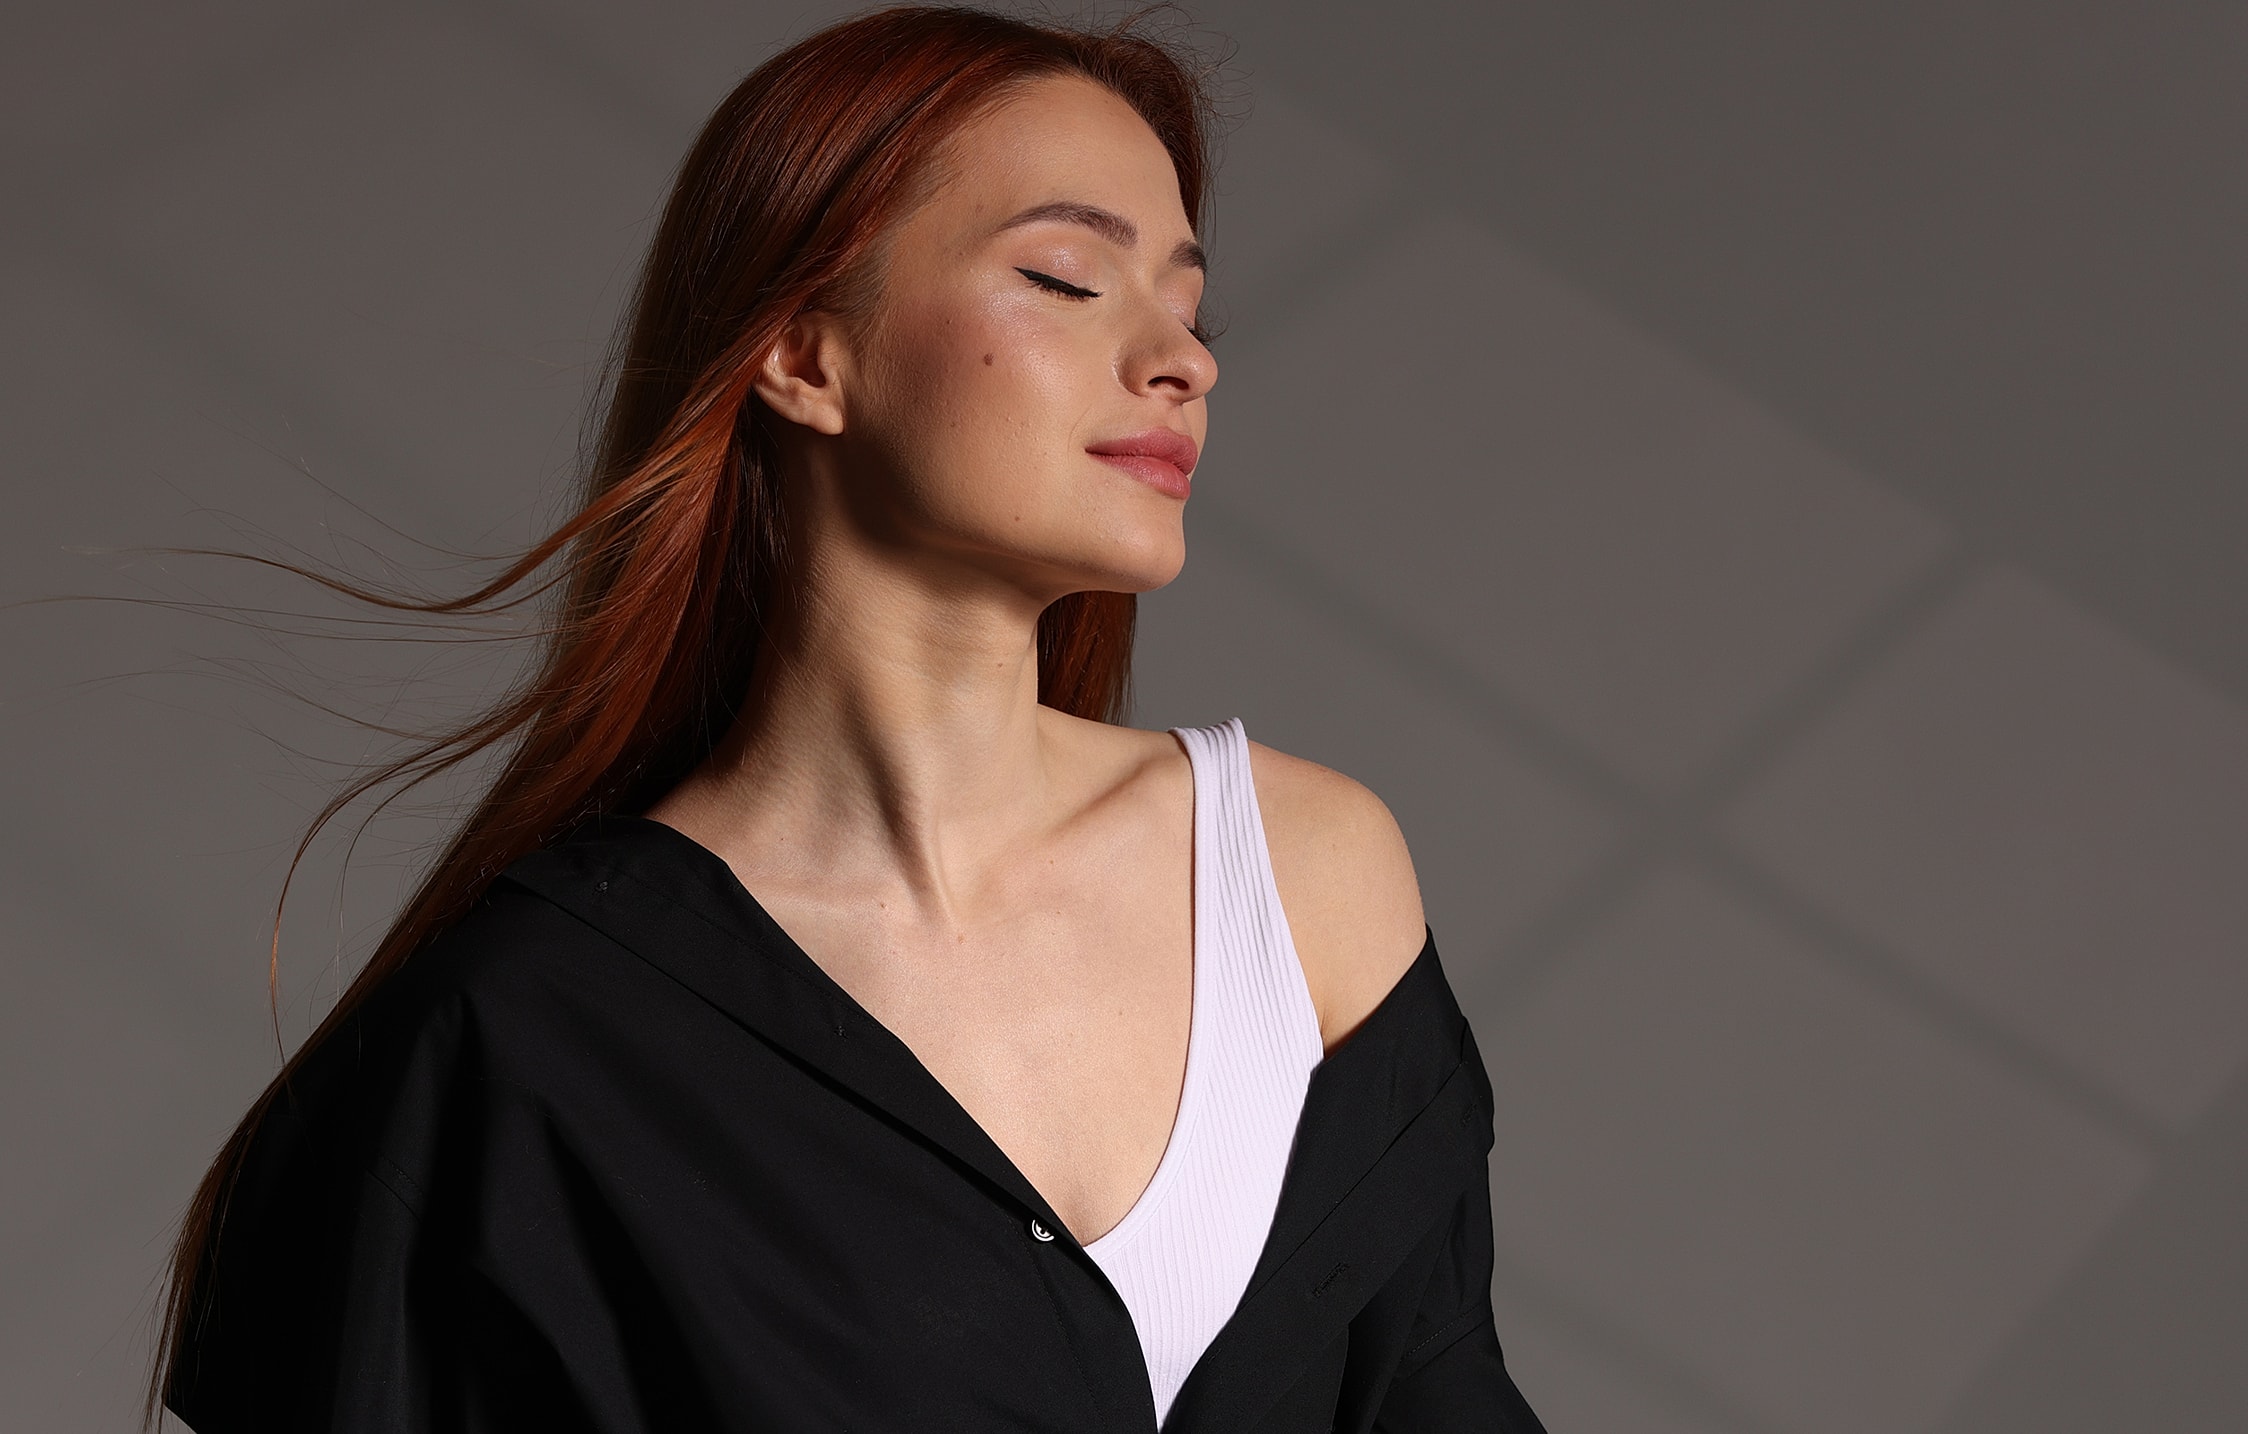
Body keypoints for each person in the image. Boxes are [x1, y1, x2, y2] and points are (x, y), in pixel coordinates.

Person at [153, 7, 1545, 1431]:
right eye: (1069, 279)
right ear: (805, 356)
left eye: (1189, 305)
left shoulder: (1305, 882)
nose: (1180, 358)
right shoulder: (521, 1040)